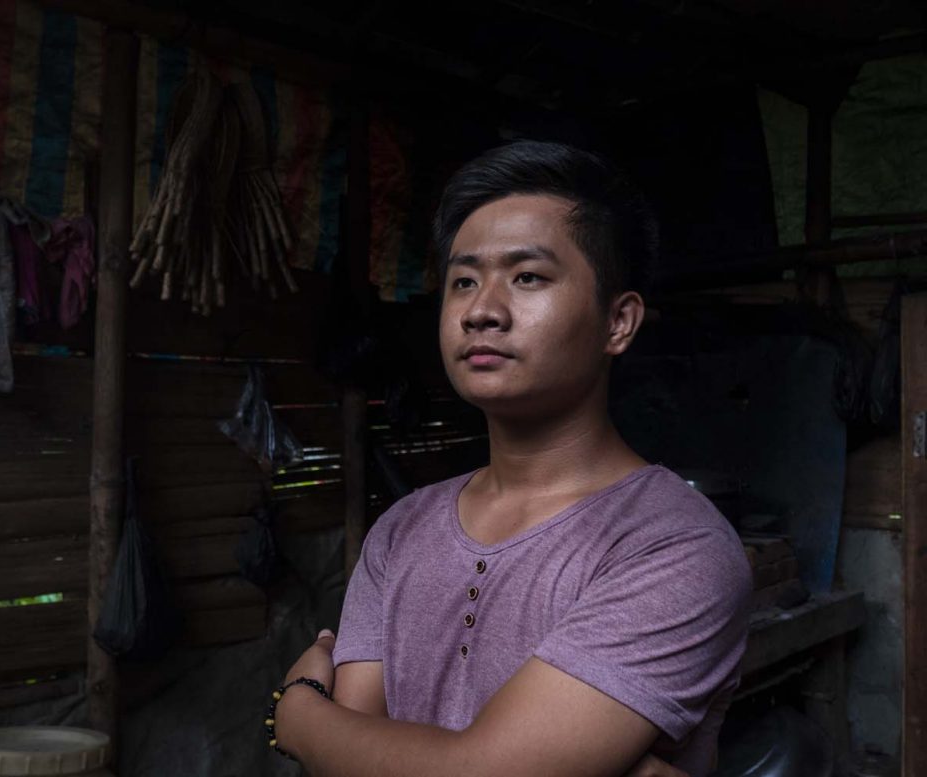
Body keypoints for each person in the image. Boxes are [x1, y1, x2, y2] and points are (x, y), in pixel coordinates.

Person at [267, 140, 752, 777]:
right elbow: (348, 763)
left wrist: (299, 717)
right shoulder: (401, 530)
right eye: (463, 281)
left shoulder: (674, 548)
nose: (481, 311)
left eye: (527, 277)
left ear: (619, 322)